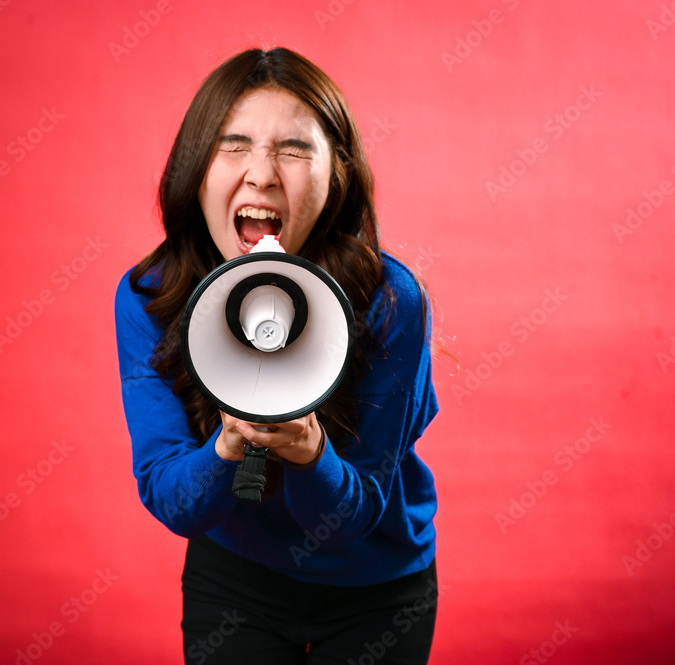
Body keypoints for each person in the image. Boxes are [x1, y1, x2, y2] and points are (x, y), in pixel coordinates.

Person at [115, 47, 441, 664]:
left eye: (293, 150)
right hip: (236, 578)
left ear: (336, 175)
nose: (262, 175)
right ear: (196, 167)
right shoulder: (151, 298)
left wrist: (312, 455)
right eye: (233, 145)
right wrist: (228, 449)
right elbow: (170, 495)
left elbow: (355, 514)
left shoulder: (392, 302)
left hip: (377, 585)